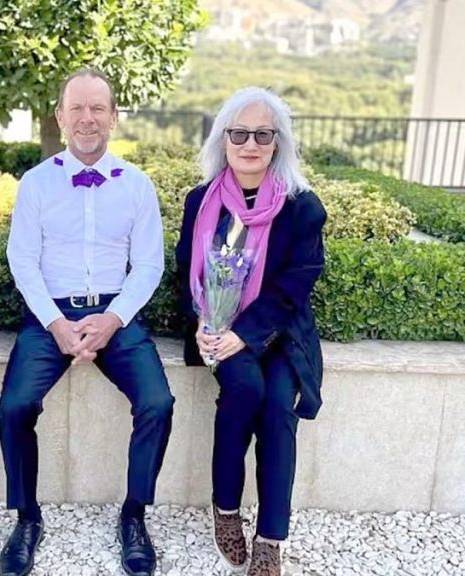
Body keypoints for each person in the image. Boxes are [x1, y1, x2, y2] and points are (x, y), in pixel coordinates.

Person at [0, 69, 175, 576]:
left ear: (114, 117)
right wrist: (56, 324)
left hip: (117, 313)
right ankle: (27, 519)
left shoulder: (137, 186)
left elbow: (149, 265)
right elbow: (22, 261)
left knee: (158, 403)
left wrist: (113, 319)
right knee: (14, 407)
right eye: (77, 108)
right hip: (50, 315)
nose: (87, 118)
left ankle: (134, 515)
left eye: (98, 108)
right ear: (61, 116)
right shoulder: (36, 183)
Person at [174, 87, 327, 576]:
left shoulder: (302, 207)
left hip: (279, 333)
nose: (250, 144)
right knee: (244, 388)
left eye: (263, 134)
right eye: (239, 133)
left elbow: (297, 281)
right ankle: (225, 508)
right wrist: (202, 322)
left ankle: (271, 537)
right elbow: (185, 271)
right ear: (223, 139)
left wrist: (245, 332)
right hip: (216, 329)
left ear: (278, 142)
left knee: (279, 405)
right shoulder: (201, 202)